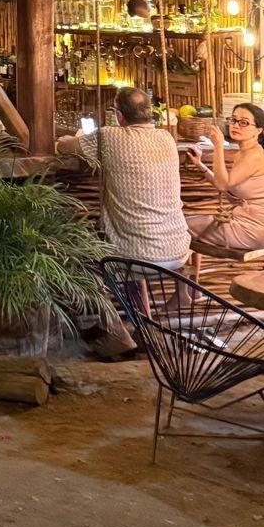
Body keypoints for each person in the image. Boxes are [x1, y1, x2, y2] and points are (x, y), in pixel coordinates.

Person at [56, 86, 190, 358]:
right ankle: (145, 327)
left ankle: (116, 334)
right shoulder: (166, 137)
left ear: (118, 114)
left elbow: (64, 147)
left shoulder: (108, 137)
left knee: (79, 260)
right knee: (126, 252)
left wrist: (76, 137)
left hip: (135, 256)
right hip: (177, 253)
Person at [184, 102, 264, 254]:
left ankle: (166, 271)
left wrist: (218, 146)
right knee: (185, 224)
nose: (236, 126)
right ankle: (187, 273)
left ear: (259, 130)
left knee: (181, 227)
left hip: (254, 228)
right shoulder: (243, 153)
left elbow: (223, 185)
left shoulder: (254, 156)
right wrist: (200, 165)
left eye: (244, 123)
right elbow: (227, 186)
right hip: (242, 222)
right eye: (233, 120)